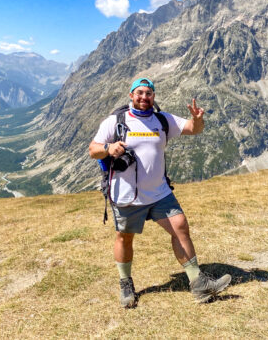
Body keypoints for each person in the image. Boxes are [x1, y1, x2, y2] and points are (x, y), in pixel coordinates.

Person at [89, 78, 231, 308]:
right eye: (140, 93)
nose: (144, 97)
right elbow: (93, 149)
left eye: (149, 94)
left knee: (180, 226)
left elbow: (194, 129)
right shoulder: (115, 121)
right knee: (124, 237)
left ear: (153, 97)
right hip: (127, 195)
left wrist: (198, 119)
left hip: (159, 192)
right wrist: (108, 148)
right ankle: (126, 283)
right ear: (131, 95)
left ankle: (199, 284)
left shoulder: (162, 119)